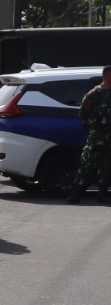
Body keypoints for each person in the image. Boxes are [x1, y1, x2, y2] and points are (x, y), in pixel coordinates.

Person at [67, 64, 111, 204]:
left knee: (107, 166)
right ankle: (76, 194)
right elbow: (83, 115)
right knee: (87, 164)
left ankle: (103, 194)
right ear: (107, 75)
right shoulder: (94, 94)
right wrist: (93, 129)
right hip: (96, 135)